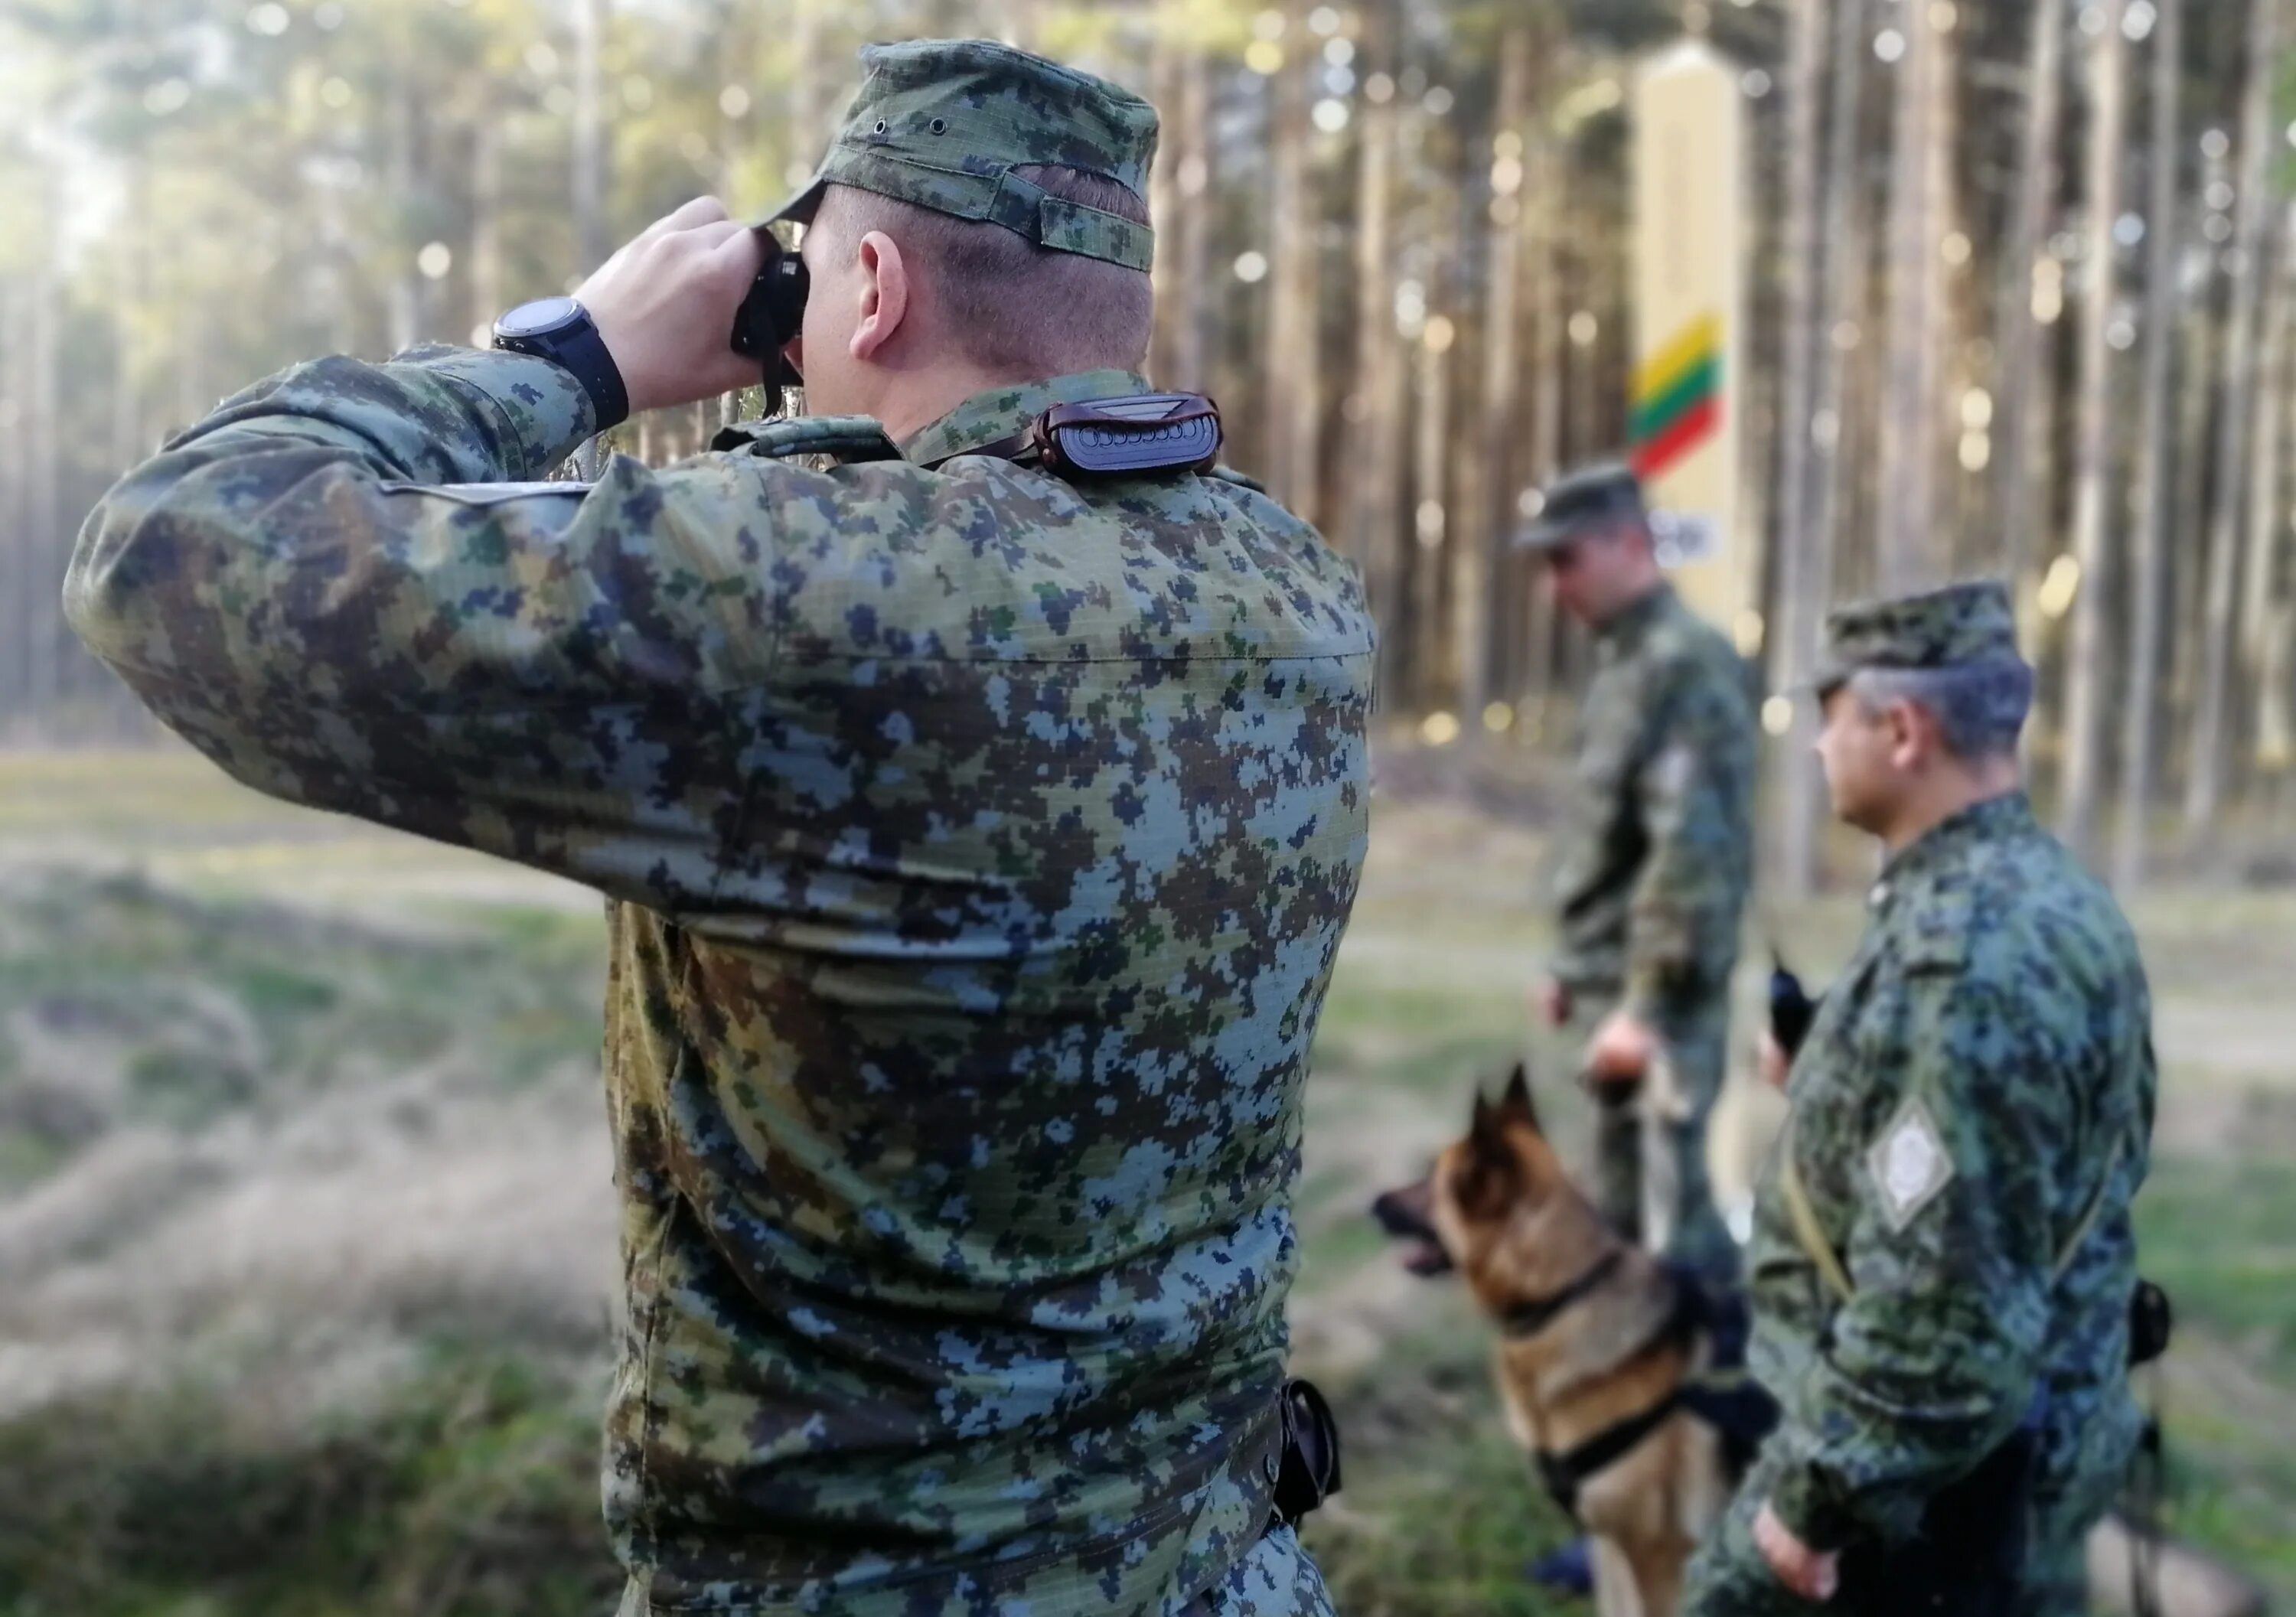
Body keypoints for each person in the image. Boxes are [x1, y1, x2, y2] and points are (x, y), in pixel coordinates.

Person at [64, 39, 1371, 1617]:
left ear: (871, 289)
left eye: (812, 291)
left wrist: (580, 358)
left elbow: (170, 554)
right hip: (1223, 1570)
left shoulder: (813, 600)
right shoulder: (1295, 590)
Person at [1683, 580, 2156, 1617]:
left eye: (1829, 717)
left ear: (1902, 729)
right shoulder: (2057, 899)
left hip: (1921, 1513)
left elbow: (1943, 1327)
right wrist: (1836, 1075)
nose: (1814, 748)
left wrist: (1810, 1509)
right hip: (2014, 1469)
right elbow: (2018, 1161)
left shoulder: (1964, 960)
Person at [1518, 462, 1756, 1286]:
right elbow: (1610, 843)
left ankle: (1724, 1400)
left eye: (1566, 560)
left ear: (1629, 544)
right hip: (1606, 994)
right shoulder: (1626, 664)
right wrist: (1568, 963)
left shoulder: (1681, 664)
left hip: (1650, 1015)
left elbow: (1692, 854)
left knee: (1666, 1244)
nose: (1555, 589)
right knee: (1616, 1230)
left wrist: (1647, 1010)